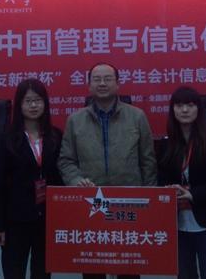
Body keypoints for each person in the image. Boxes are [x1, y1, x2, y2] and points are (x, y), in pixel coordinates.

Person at [57, 62, 157, 279]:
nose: (102, 83)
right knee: (93, 270)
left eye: (107, 79)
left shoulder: (137, 117)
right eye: (97, 79)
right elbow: (66, 161)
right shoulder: (75, 121)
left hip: (129, 205)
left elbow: (148, 162)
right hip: (91, 203)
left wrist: (150, 202)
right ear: (89, 85)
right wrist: (76, 181)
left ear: (118, 84)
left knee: (128, 271)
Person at [0, 78, 62, 279]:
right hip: (15, 220)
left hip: (47, 219)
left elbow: (60, 177)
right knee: (14, 272)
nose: (33, 106)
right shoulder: (7, 138)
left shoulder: (55, 136)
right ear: (19, 105)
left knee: (42, 273)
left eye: (38, 100)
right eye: (28, 101)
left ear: (45, 104)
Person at [157, 86, 206, 279]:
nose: (184, 110)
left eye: (190, 105)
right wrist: (169, 189)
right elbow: (160, 179)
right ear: (172, 110)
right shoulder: (166, 143)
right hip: (177, 225)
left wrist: (193, 193)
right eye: (179, 105)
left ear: (199, 109)